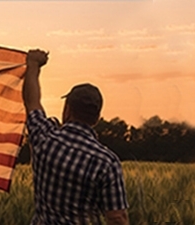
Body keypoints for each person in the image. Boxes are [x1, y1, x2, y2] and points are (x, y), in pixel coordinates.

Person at [22, 49, 129, 225]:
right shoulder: (107, 162)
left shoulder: (44, 137)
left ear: (67, 109)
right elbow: (117, 217)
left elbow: (32, 102)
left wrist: (33, 65)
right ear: (97, 118)